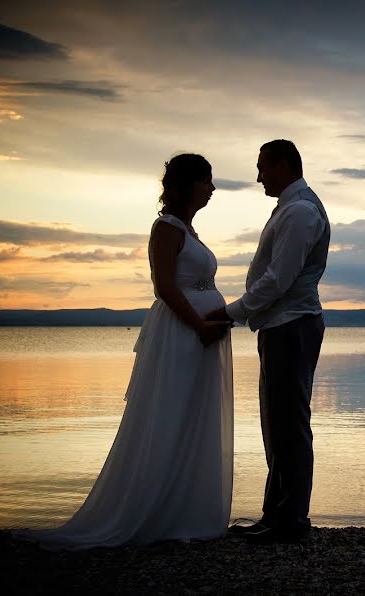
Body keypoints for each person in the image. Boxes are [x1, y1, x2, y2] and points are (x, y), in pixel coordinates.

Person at [16, 154, 234, 549]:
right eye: (207, 181)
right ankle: (156, 513)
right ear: (187, 184)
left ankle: (188, 511)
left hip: (203, 335)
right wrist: (200, 324)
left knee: (195, 417)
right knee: (171, 414)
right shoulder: (166, 228)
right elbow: (164, 287)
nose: (213, 188)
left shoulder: (190, 230)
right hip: (183, 335)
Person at [211, 139, 330, 544]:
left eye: (263, 167)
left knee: (288, 425)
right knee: (277, 423)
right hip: (284, 325)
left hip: (291, 325)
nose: (259, 176)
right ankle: (277, 515)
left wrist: (231, 312)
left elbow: (279, 280)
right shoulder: (292, 208)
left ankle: (290, 520)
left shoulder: (299, 212)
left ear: (283, 165)